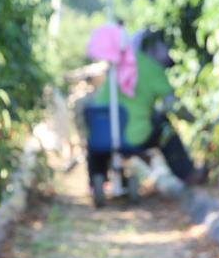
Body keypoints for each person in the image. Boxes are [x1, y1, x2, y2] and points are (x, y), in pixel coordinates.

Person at [87, 25, 206, 187]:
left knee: (96, 145)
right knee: (165, 128)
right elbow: (174, 107)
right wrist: (198, 121)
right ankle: (187, 174)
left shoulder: (121, 63)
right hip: (134, 136)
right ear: (155, 49)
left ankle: (96, 181)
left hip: (102, 134)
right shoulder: (153, 70)